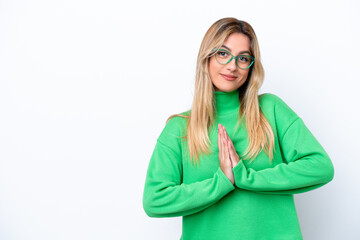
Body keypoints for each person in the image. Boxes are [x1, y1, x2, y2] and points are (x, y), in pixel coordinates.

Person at [142, 17, 334, 240]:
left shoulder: (271, 110)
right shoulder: (180, 128)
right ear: (207, 58)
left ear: (251, 66)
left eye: (243, 58)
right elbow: (154, 200)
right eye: (223, 54)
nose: (232, 66)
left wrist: (247, 177)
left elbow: (320, 167)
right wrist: (222, 182)